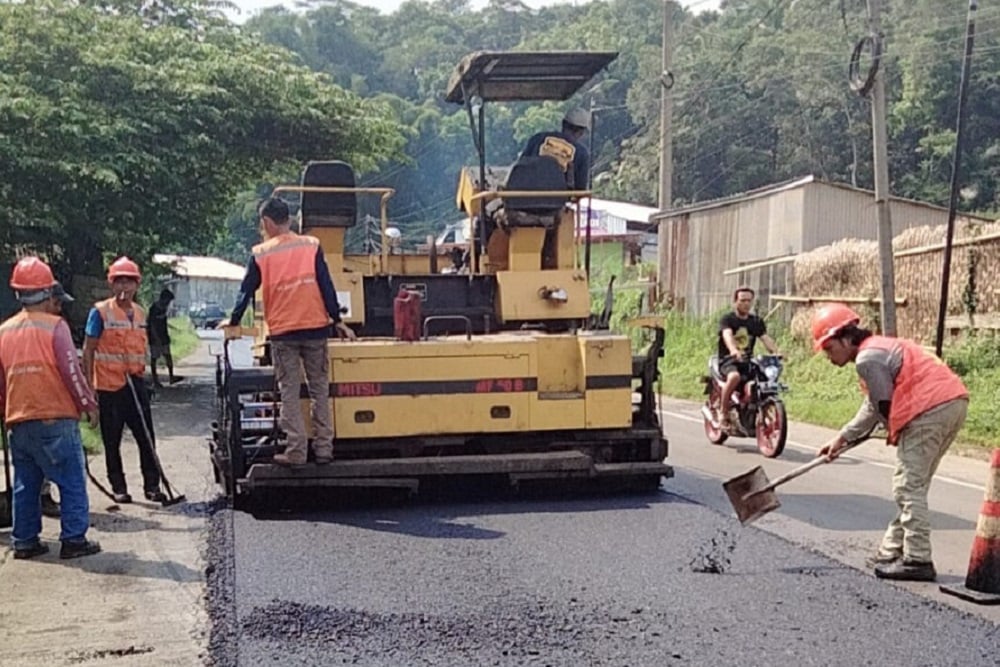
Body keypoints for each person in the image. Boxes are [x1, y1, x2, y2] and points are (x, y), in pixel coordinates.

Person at [813, 303, 969, 582]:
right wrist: (843, 437)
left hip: (930, 408)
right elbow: (873, 405)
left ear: (846, 337)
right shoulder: (878, 349)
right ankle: (891, 550)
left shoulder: (867, 359)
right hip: (952, 403)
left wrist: (890, 429)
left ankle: (918, 559)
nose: (828, 356)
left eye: (829, 347)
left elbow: (881, 406)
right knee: (914, 485)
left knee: (908, 486)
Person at [227, 197, 356, 467]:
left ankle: (296, 451)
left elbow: (246, 291)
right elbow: (326, 285)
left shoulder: (261, 253)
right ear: (290, 219)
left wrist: (234, 321)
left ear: (266, 222)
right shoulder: (311, 245)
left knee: (290, 391)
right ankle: (323, 449)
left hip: (284, 332)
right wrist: (337, 319)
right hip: (316, 328)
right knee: (320, 389)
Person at [0, 257, 101, 559]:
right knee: (71, 479)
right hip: (54, 419)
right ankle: (73, 540)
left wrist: (5, 412)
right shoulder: (56, 327)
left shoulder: (4, 331)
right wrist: (88, 404)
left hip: (19, 421)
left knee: (25, 484)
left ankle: (26, 542)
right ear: (48, 291)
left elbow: (1, 381)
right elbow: (72, 372)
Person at [82, 257, 166, 504]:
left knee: (146, 436)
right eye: (119, 282)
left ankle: (152, 486)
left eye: (129, 282)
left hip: (136, 383)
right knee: (112, 439)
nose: (124, 288)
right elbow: (88, 351)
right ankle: (118, 486)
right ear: (112, 284)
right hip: (109, 386)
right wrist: (89, 389)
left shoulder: (140, 313)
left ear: (136, 285)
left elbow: (142, 348)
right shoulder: (99, 313)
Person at [38, 281, 76, 519]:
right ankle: (73, 535)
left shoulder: (17, 327)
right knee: (60, 463)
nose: (60, 307)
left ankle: (27, 533)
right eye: (57, 302)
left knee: (32, 464)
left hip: (29, 405)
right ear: (45, 299)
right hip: (47, 405)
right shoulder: (53, 328)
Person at [716, 286, 779, 429]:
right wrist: (733, 350)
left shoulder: (755, 321)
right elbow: (727, 335)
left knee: (762, 379)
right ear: (735, 301)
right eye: (742, 300)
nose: (746, 304)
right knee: (734, 377)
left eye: (749, 301)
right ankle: (723, 413)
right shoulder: (728, 319)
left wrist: (776, 352)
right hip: (728, 360)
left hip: (747, 361)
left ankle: (754, 410)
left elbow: (765, 338)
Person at [520, 108, 591, 190]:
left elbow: (520, 169)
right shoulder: (582, 153)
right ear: (581, 132)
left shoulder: (537, 139)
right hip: (560, 201)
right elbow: (580, 189)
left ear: (563, 123)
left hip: (528, 197)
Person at [148, 288, 175, 388]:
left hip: (164, 336)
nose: (168, 303)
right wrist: (156, 338)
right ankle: (155, 380)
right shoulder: (154, 309)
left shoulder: (164, 308)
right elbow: (152, 325)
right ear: (163, 299)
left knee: (168, 356)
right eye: (168, 301)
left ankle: (171, 377)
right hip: (155, 337)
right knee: (154, 358)